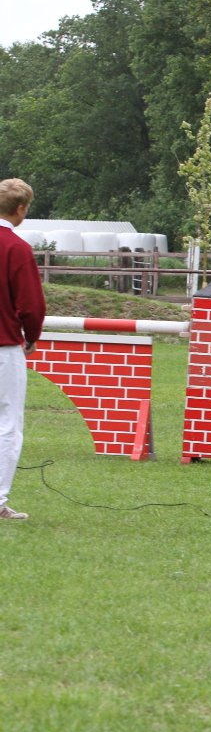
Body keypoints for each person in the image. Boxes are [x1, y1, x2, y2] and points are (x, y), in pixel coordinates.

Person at [0, 178, 44, 520]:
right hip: (4, 346)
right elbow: (31, 304)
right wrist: (31, 335)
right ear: (20, 209)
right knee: (8, 425)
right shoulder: (16, 248)